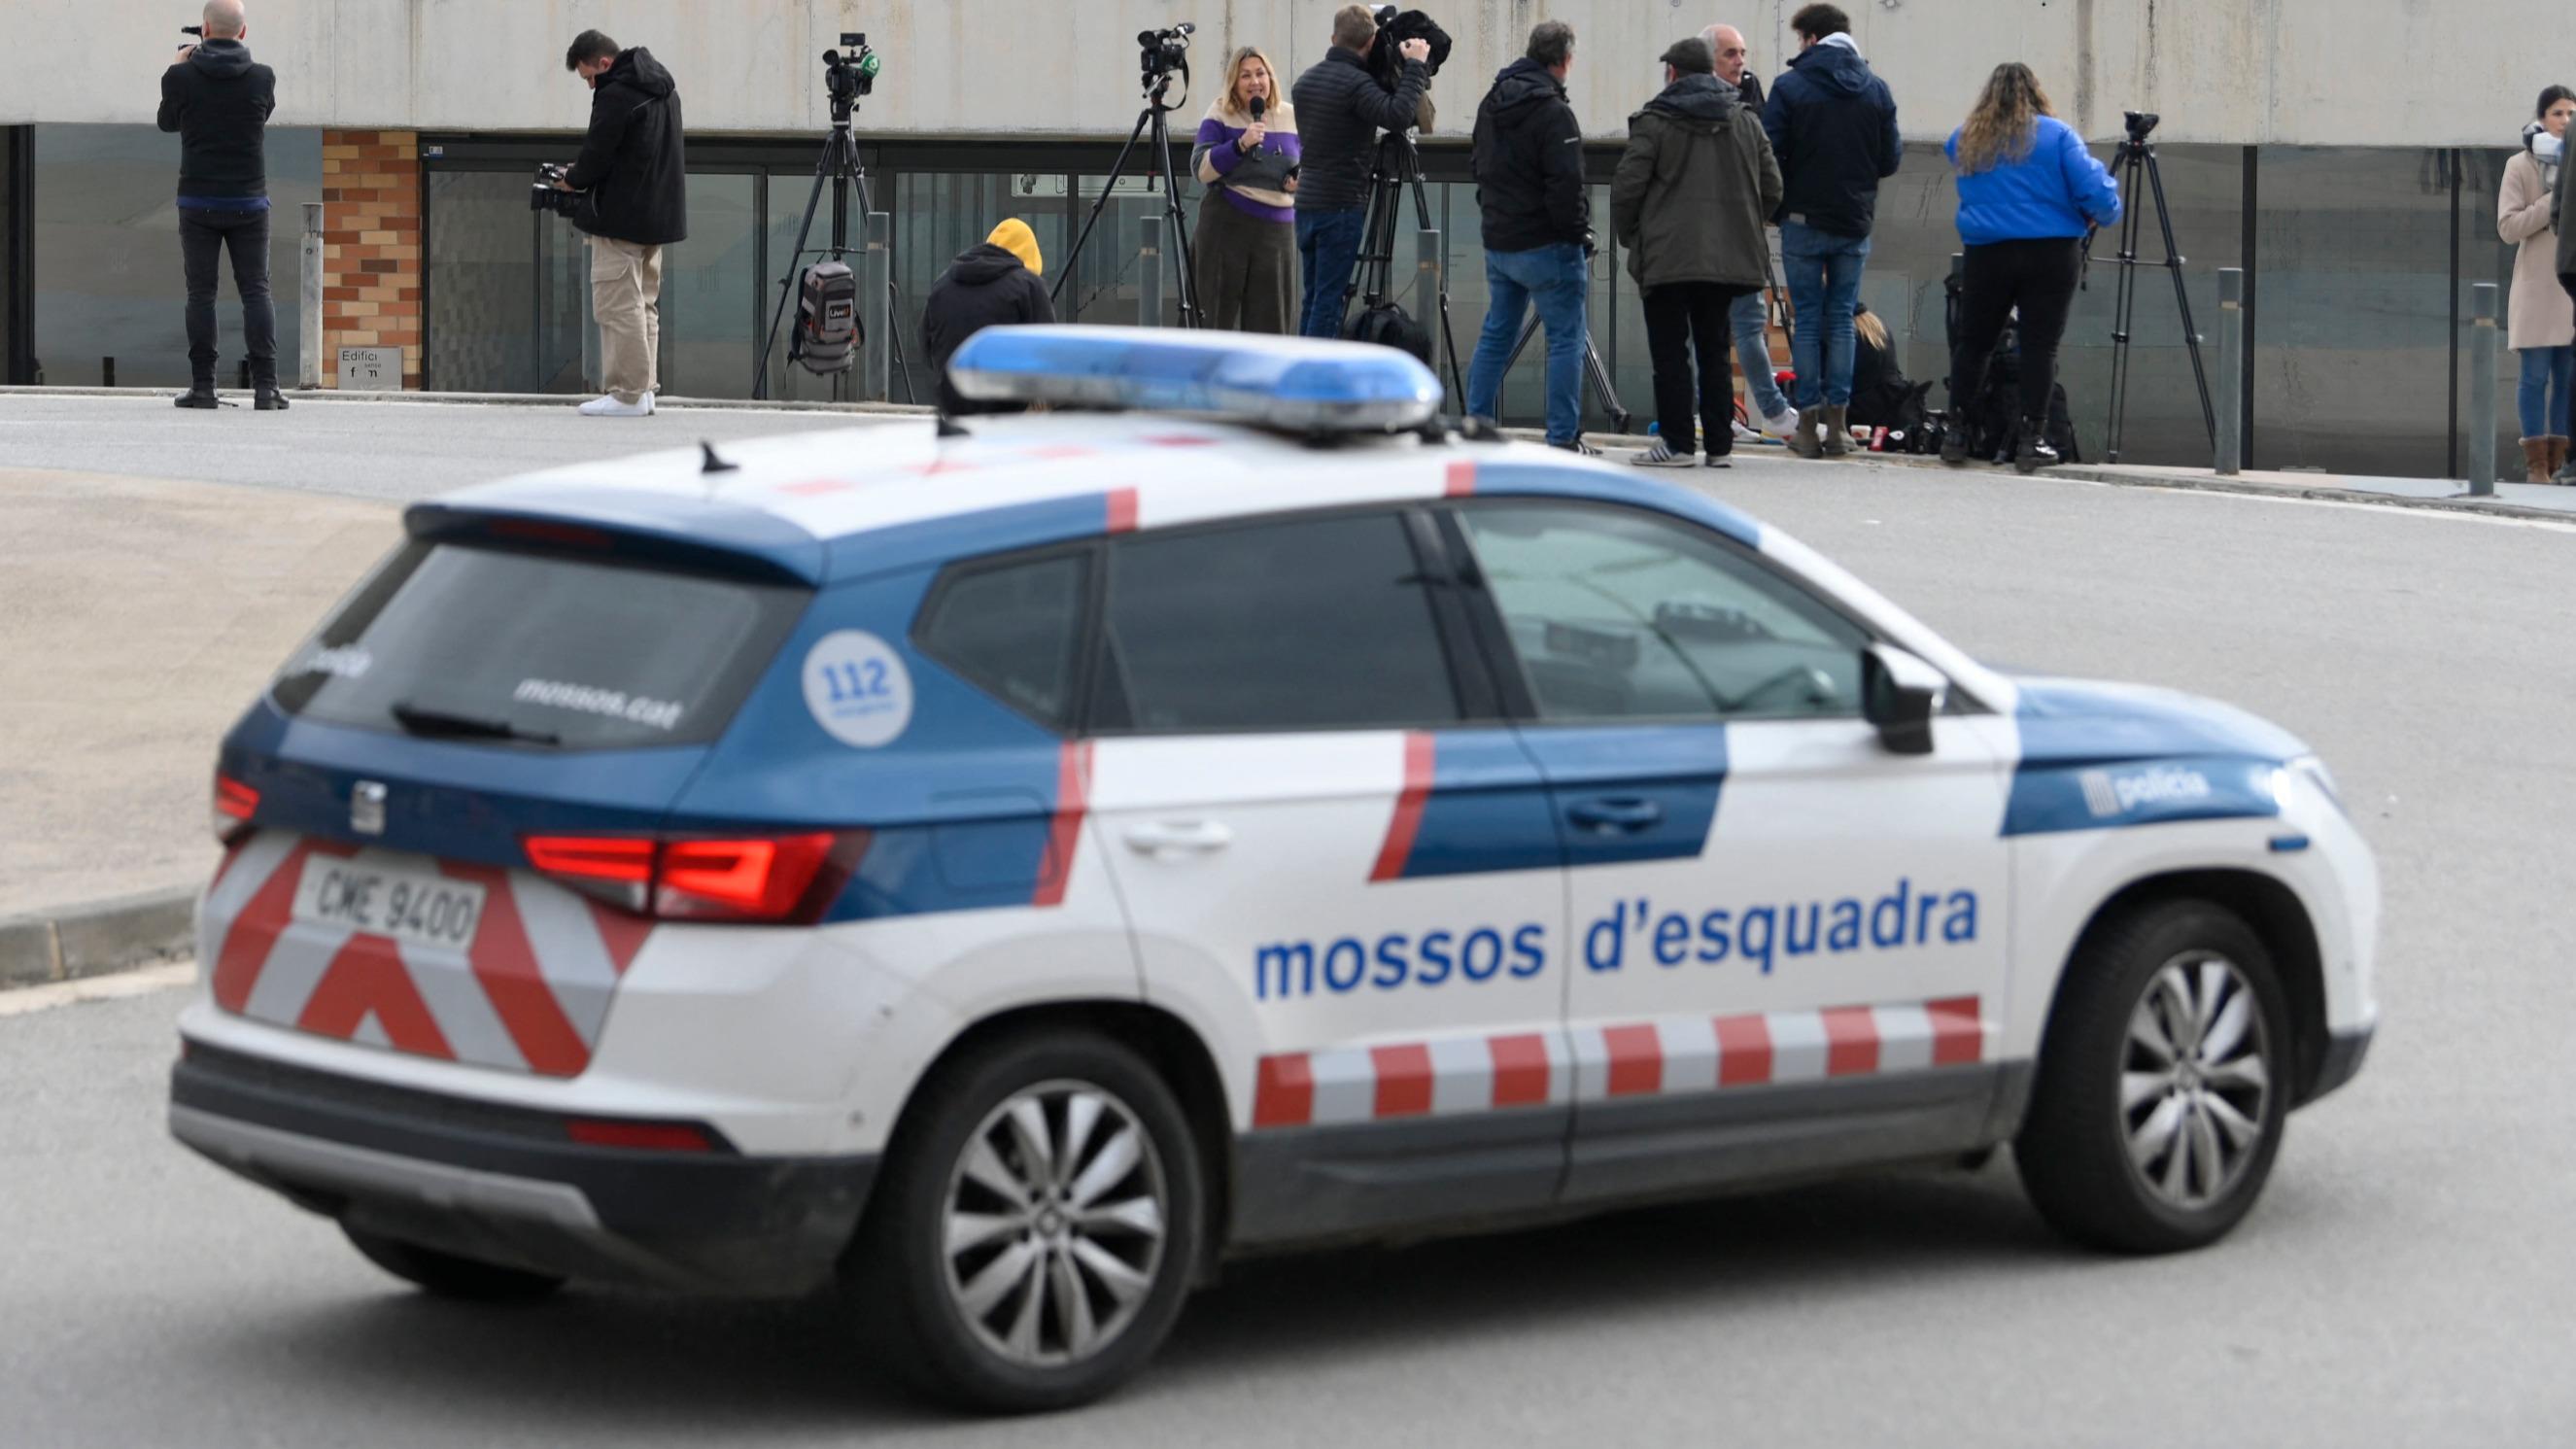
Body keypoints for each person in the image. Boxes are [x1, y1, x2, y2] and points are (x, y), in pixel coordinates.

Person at [1937, 62, 2118, 473]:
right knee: (2040, 346)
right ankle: (2031, 439)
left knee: (1975, 343)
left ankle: (1957, 432)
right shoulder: (2057, 136)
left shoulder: (1965, 138)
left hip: (1987, 252)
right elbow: (2100, 195)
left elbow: (1961, 164)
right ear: (2036, 94)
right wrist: (2095, 213)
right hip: (2051, 254)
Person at [1612, 36, 1781, 468]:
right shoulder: (1745, 120)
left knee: (1670, 353)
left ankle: (1678, 444)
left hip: (1668, 258)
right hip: (1726, 261)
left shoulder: (1654, 121)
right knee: (1714, 350)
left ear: (1672, 73)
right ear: (1708, 71)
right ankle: (1720, 447)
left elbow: (1628, 187)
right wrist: (1741, 225)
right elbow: (1773, 187)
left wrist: (1634, 235)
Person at [1762, 4, 1900, 460]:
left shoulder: (1790, 87)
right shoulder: (1876, 90)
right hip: (1853, 222)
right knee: (1841, 319)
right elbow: (1890, 160)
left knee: (1805, 323)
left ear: (1813, 39)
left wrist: (1779, 203)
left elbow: (1769, 150)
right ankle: (1839, 429)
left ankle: (1807, 428)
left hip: (1802, 221)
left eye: (1800, 40)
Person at [1464, 21, 1595, 454]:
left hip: (1501, 241)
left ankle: (1476, 426)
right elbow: (1567, 184)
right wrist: (1578, 234)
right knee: (1565, 339)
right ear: (1564, 60)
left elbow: (1476, 164)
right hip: (1548, 244)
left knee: (1496, 334)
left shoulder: (1491, 103)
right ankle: (1561, 437)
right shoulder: (1554, 112)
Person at [158, 1, 283, 411]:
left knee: (201, 294)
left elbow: (167, 122)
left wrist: (177, 67)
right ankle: (266, 389)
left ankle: (204, 387)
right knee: (256, 290)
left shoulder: (182, 76)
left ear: (205, 29)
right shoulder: (262, 78)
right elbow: (259, 115)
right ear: (243, 33)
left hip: (197, 201)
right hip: (249, 200)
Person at [558, 30, 686, 418]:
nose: (590, 86)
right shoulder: (664, 90)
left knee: (616, 305)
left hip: (621, 218)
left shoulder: (617, 94)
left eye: (589, 77)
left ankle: (627, 394)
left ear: (604, 63)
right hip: (656, 216)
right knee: (643, 304)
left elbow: (598, 154)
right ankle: (644, 390)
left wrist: (572, 179)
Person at [1288, 6, 1433, 339]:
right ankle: (1317, 382)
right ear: (1371, 42)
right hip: (1340, 205)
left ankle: (1303, 368)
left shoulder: (1305, 82)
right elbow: (1397, 116)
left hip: (1307, 203)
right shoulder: (1356, 84)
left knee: (1314, 297)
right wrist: (1414, 67)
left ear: (1333, 38)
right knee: (1329, 301)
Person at [1703, 21, 1798, 439]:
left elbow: (1766, 165)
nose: (1740, 60)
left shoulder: (1748, 94)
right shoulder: (1705, 103)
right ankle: (1752, 412)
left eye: (1741, 52)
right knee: (1722, 327)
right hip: (1720, 232)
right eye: (1730, 53)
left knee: (1744, 324)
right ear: (1709, 60)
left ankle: (1742, 412)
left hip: (1731, 230)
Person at [1192, 48, 1301, 334]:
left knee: (1273, 327)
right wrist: (1239, 145)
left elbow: (1312, 163)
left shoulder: (1291, 115)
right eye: (1246, 76)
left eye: (1260, 73)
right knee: (1212, 319)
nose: (1255, 81)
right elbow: (1201, 168)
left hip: (1277, 232)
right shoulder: (1220, 112)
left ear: (1271, 78)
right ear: (1234, 83)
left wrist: (1299, 180)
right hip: (1227, 223)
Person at [2501, 86, 2576, 483]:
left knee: (2567, 377)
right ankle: (2536, 467)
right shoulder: (2521, 165)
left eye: (2571, 113)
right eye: (2558, 113)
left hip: (2569, 282)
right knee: (2534, 375)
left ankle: (2562, 462)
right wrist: (2553, 200)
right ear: (2542, 117)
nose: (2565, 121)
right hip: (2535, 285)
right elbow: (2508, 227)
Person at [921, 219, 1056, 416]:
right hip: (1010, 411)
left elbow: (926, 345)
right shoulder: (1028, 285)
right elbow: (1049, 352)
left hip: (954, 406)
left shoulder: (943, 284)